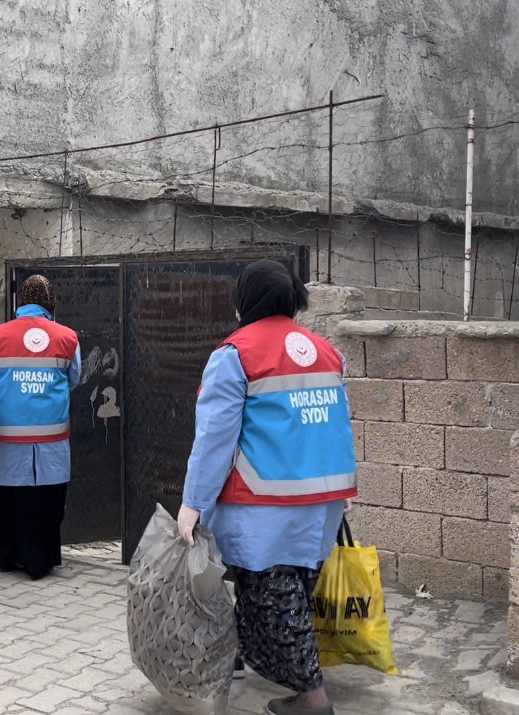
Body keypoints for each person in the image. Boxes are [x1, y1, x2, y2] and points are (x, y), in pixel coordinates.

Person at [176, 259, 357, 715]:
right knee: (289, 590)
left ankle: (312, 698)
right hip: (322, 501)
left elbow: (215, 438)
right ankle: (241, 653)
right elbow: (334, 425)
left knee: (275, 600)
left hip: (263, 504)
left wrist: (193, 503)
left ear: (244, 300)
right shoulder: (326, 351)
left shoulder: (235, 354)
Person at [0, 275, 81, 579]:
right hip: (52, 437)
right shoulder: (68, 337)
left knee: (9, 496)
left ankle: (4, 556)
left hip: (8, 435)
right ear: (50, 303)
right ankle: (41, 560)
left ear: (20, 302)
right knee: (49, 497)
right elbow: (74, 379)